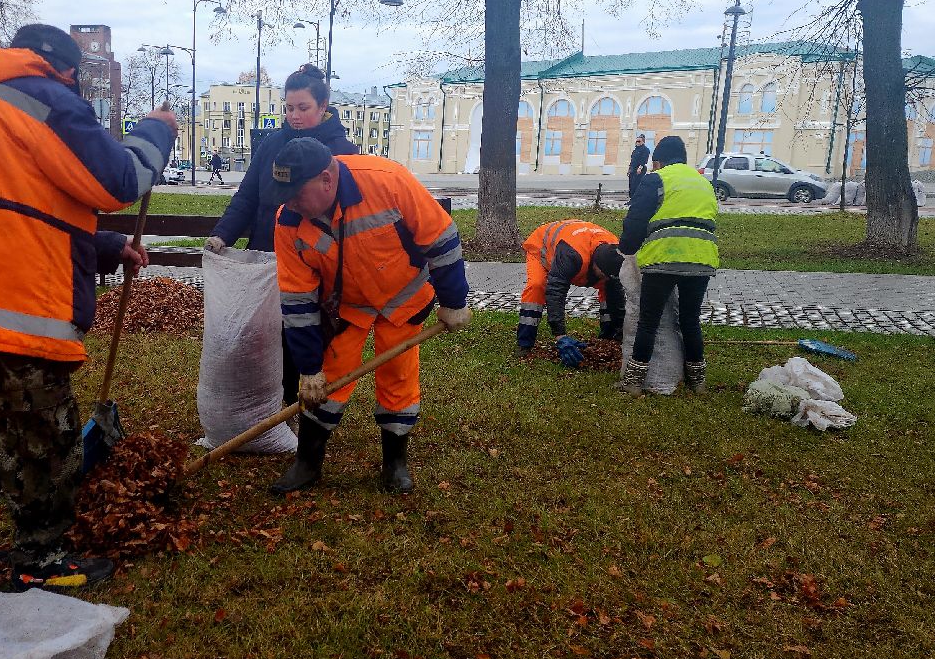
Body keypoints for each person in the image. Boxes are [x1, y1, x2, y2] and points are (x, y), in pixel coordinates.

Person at [0, 23, 177, 591]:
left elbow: (17, 201)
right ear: (65, 69)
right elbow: (119, 181)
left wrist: (107, 246)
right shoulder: (45, 100)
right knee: (40, 441)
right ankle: (41, 559)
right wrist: (156, 132)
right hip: (18, 305)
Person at [270, 139, 471, 496]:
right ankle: (308, 463)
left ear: (327, 180)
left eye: (298, 194)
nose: (292, 204)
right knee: (328, 379)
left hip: (403, 300)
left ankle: (395, 464)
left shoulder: (386, 180)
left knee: (398, 376)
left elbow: (440, 238)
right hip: (346, 307)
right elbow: (298, 300)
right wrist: (308, 366)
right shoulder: (288, 220)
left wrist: (454, 301)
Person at [204, 64, 358, 405]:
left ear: (323, 106)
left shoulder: (342, 152)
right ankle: (261, 402)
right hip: (267, 255)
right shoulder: (272, 144)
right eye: (288, 108)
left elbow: (348, 213)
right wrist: (222, 235)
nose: (295, 116)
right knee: (261, 335)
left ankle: (296, 405)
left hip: (314, 262)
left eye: (303, 108)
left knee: (299, 335)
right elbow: (247, 197)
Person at [616, 135, 718, 396]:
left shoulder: (657, 179)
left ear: (658, 161)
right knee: (690, 319)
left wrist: (626, 249)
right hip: (701, 259)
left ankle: (634, 382)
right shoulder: (703, 182)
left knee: (648, 321)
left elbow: (636, 219)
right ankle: (698, 382)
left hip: (664, 258)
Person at [517, 220, 625, 363]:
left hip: (577, 241)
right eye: (603, 275)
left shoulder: (614, 253)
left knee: (609, 288)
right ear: (595, 265)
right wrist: (560, 335)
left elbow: (616, 295)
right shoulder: (571, 255)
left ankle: (608, 336)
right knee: (537, 286)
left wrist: (620, 329)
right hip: (542, 250)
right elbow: (556, 292)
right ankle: (525, 342)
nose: (604, 278)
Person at [627, 134, 650, 200]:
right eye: (636, 141)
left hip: (640, 169)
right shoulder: (635, 150)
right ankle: (631, 197)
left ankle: (637, 198)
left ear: (643, 142)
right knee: (631, 184)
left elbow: (644, 160)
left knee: (637, 184)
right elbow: (632, 160)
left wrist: (640, 168)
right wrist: (629, 169)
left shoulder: (645, 150)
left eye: (639, 141)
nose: (637, 143)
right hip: (633, 169)